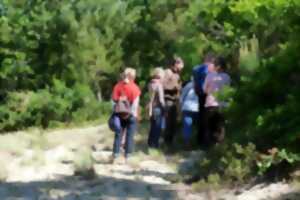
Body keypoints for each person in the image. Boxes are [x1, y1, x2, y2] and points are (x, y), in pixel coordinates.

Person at [111, 67, 141, 162]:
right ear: (132, 76)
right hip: (130, 115)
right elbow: (135, 104)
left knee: (118, 134)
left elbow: (113, 101)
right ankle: (128, 155)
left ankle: (115, 154)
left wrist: (115, 112)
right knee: (130, 135)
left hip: (119, 114)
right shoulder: (135, 88)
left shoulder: (117, 86)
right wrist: (133, 115)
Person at [203, 57, 231, 146]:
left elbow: (204, 89)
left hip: (210, 104)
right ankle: (218, 146)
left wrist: (210, 91)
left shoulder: (210, 76)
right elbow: (228, 90)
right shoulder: (227, 77)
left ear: (218, 66)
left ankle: (209, 146)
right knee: (220, 126)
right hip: (222, 104)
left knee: (210, 126)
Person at [192, 53, 216, 147]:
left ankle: (200, 140)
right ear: (211, 60)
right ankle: (207, 142)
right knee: (209, 118)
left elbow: (194, 83)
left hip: (200, 94)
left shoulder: (196, 68)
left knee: (201, 116)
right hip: (209, 95)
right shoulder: (211, 69)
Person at [162, 57, 184, 146]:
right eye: (179, 67)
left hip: (175, 100)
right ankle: (166, 141)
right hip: (168, 100)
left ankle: (171, 142)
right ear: (175, 64)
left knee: (174, 122)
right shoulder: (167, 72)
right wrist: (173, 87)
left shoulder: (177, 74)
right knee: (168, 121)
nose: (180, 69)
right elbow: (162, 85)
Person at [147, 67, 165, 148]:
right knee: (157, 127)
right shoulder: (159, 85)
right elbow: (161, 99)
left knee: (152, 126)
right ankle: (155, 144)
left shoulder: (150, 83)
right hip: (158, 107)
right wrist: (164, 108)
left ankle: (150, 143)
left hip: (151, 107)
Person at [179, 78, 199, 147]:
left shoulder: (189, 85)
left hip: (187, 107)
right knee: (199, 126)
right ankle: (197, 142)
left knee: (187, 126)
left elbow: (182, 97)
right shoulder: (203, 83)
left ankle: (187, 143)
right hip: (198, 108)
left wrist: (180, 107)